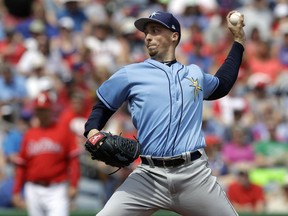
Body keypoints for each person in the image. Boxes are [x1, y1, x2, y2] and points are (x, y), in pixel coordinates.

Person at [84, 10, 245, 216]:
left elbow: (222, 85)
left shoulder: (194, 73)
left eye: (155, 30)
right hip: (149, 175)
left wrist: (238, 41)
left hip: (194, 175)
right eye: (146, 33)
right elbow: (103, 106)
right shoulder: (130, 73)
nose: (148, 36)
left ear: (174, 36)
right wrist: (92, 132)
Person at [12, 92, 81, 216]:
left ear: (50, 109)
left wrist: (74, 184)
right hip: (33, 188)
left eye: (44, 109)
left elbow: (74, 160)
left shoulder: (63, 131)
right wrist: (16, 191)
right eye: (39, 110)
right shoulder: (29, 134)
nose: (41, 113)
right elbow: (21, 165)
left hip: (57, 188)